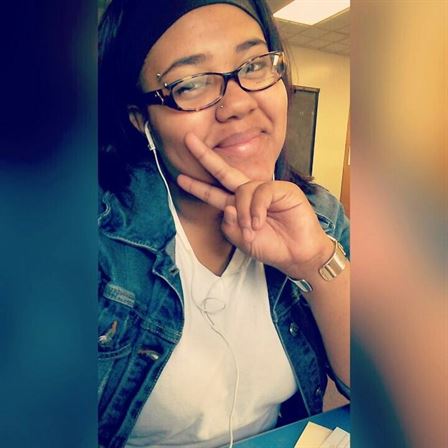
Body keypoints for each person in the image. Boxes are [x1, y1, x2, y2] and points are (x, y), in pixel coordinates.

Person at [98, 1, 350, 447]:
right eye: (190, 84)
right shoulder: (93, 240)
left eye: (253, 65)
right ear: (142, 120)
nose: (237, 104)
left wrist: (315, 260)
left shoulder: (318, 212)